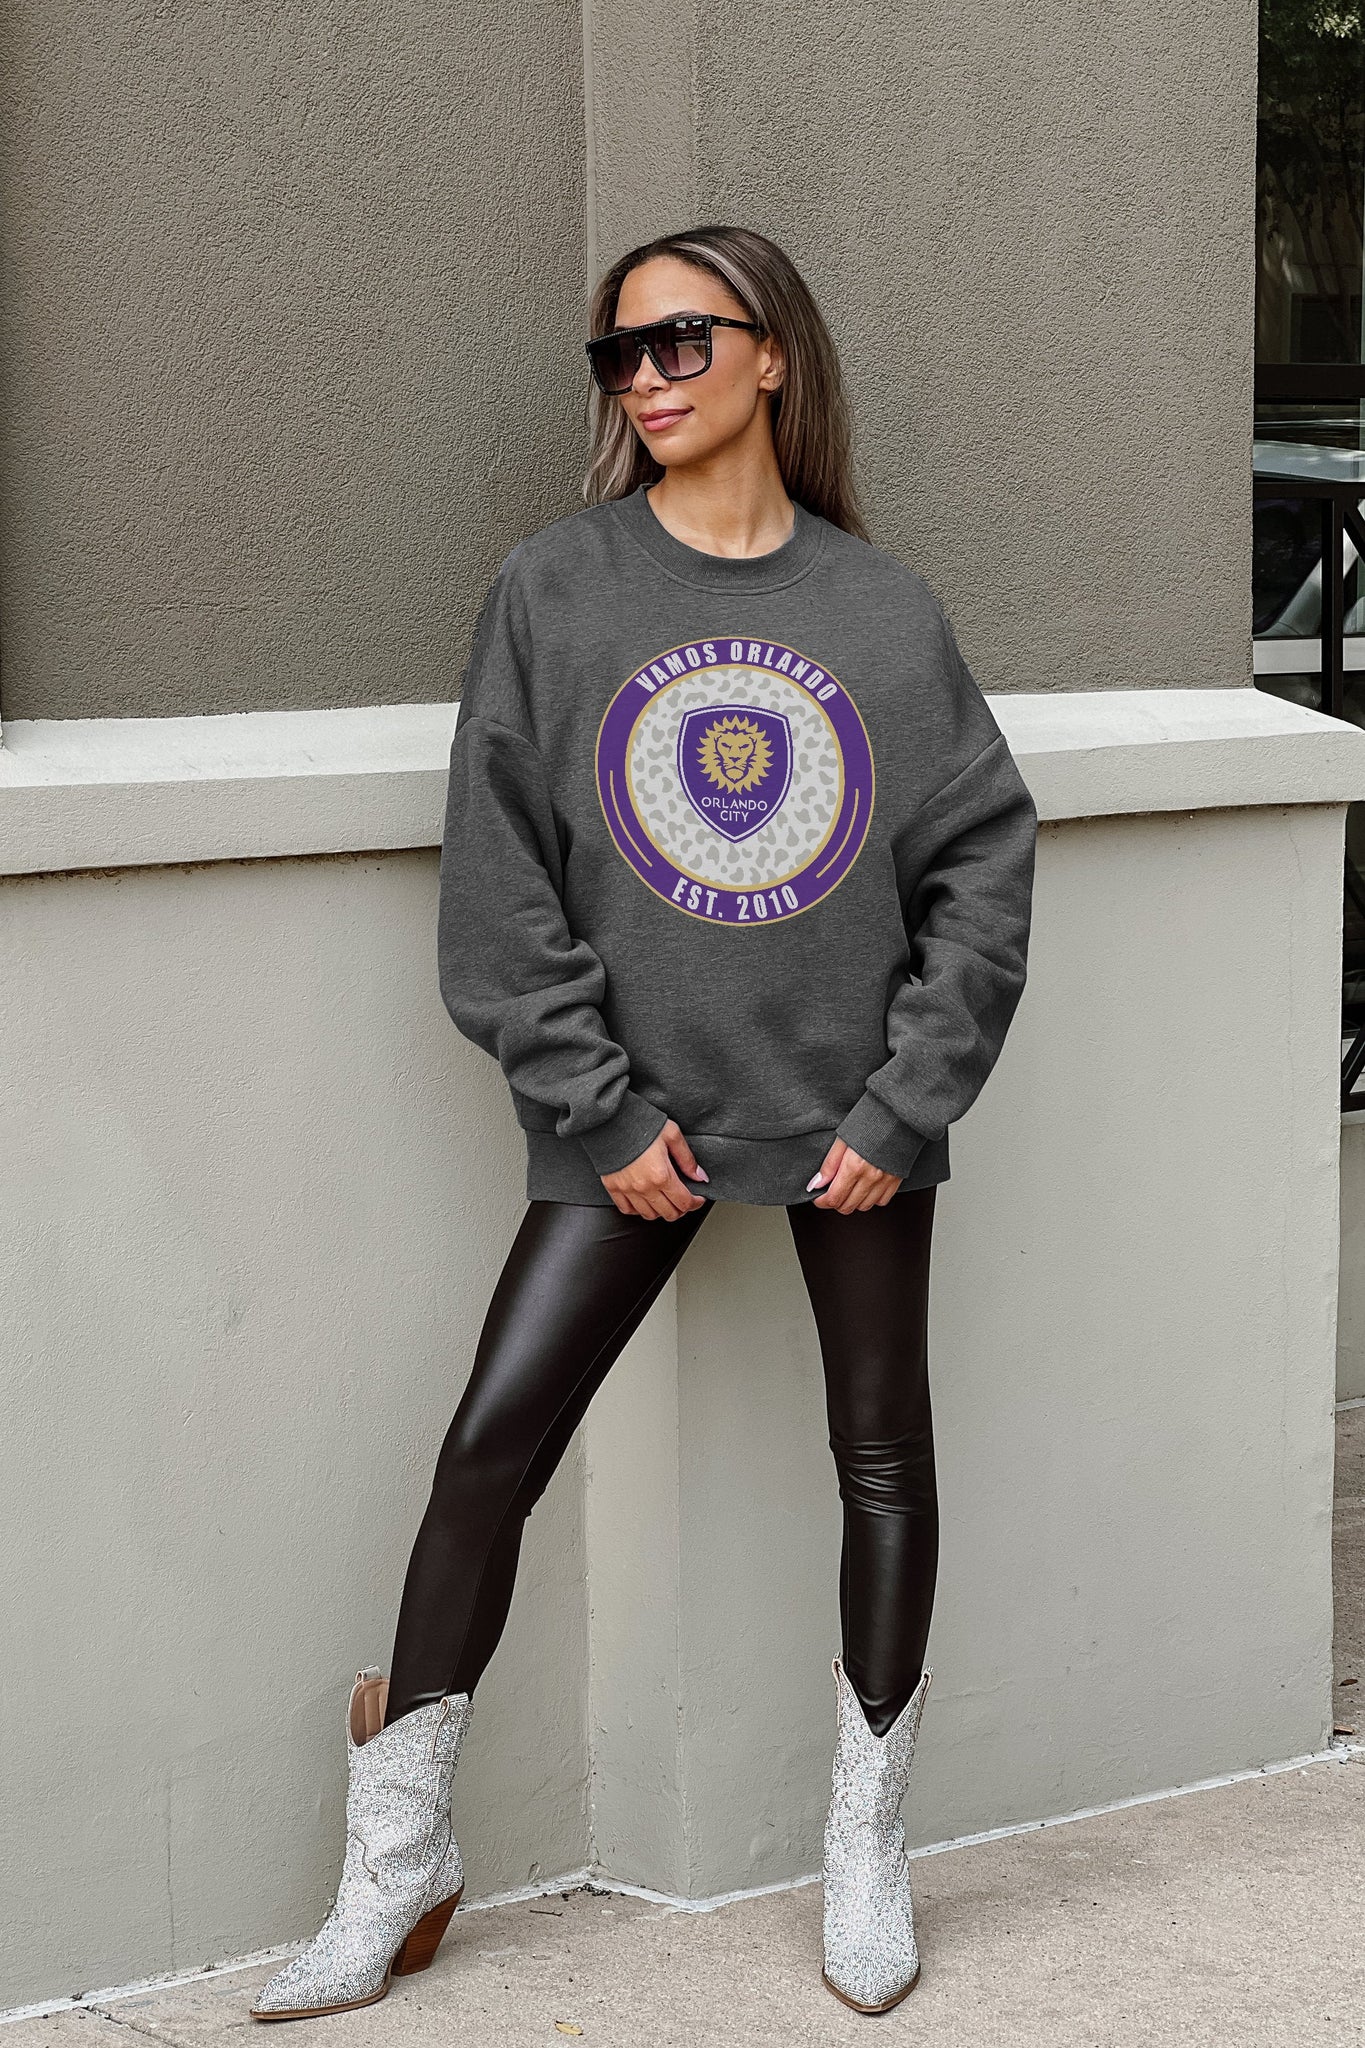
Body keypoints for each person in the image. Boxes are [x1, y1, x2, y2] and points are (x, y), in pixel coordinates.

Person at [249, 222, 1037, 2025]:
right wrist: (595, 1108)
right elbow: (498, 877)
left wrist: (906, 1101)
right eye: (622, 353)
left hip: (849, 1124)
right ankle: (396, 1861)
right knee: (487, 1456)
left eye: (684, 340)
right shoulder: (556, 588)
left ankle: (864, 1855)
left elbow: (983, 865)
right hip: (631, 1124)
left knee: (883, 1461)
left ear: (773, 354)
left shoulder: (879, 610)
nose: (649, 378)